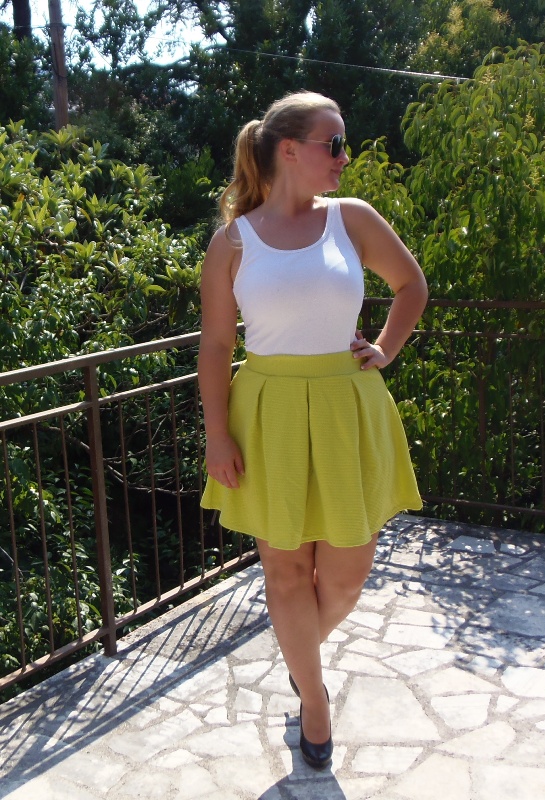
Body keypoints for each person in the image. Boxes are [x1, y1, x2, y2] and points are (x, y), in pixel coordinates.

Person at [198, 90, 427, 769]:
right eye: (335, 143)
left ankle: (300, 662)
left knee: (349, 572)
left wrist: (383, 348)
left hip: (346, 408)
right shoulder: (232, 242)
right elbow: (216, 346)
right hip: (267, 411)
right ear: (289, 149)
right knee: (288, 569)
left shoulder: (351, 219)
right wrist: (216, 434)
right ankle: (315, 701)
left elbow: (411, 286)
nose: (344, 157)